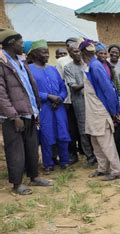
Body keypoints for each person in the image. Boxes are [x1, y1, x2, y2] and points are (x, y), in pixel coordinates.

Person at [0, 28, 51, 194]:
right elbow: (1, 94)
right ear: (10, 43)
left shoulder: (21, 61)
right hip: (13, 116)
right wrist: (13, 116)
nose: (23, 46)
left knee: (31, 147)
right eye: (20, 43)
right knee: (16, 150)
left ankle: (34, 176)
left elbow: (29, 87)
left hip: (29, 112)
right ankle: (17, 184)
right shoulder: (2, 64)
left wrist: (35, 109)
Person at [80, 38, 120, 181]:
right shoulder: (89, 65)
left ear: (83, 52)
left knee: (105, 140)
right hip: (92, 109)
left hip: (99, 109)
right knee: (95, 140)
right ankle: (102, 168)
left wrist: (114, 111)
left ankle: (116, 170)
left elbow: (108, 90)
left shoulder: (95, 66)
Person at [29, 40, 71, 173]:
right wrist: (47, 96)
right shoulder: (29, 70)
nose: (47, 55)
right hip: (44, 108)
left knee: (62, 133)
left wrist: (60, 97)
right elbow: (30, 90)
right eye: (44, 52)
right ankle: (48, 163)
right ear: (35, 54)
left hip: (58, 107)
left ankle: (64, 161)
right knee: (46, 135)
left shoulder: (52, 69)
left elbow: (63, 86)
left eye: (47, 52)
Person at [63, 42, 96, 166]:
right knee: (83, 130)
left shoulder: (89, 64)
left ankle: (98, 154)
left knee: (95, 127)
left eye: (79, 51)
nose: (78, 54)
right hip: (79, 101)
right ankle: (90, 157)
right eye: (74, 51)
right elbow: (74, 87)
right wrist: (88, 81)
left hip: (93, 100)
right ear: (70, 53)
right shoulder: (68, 68)